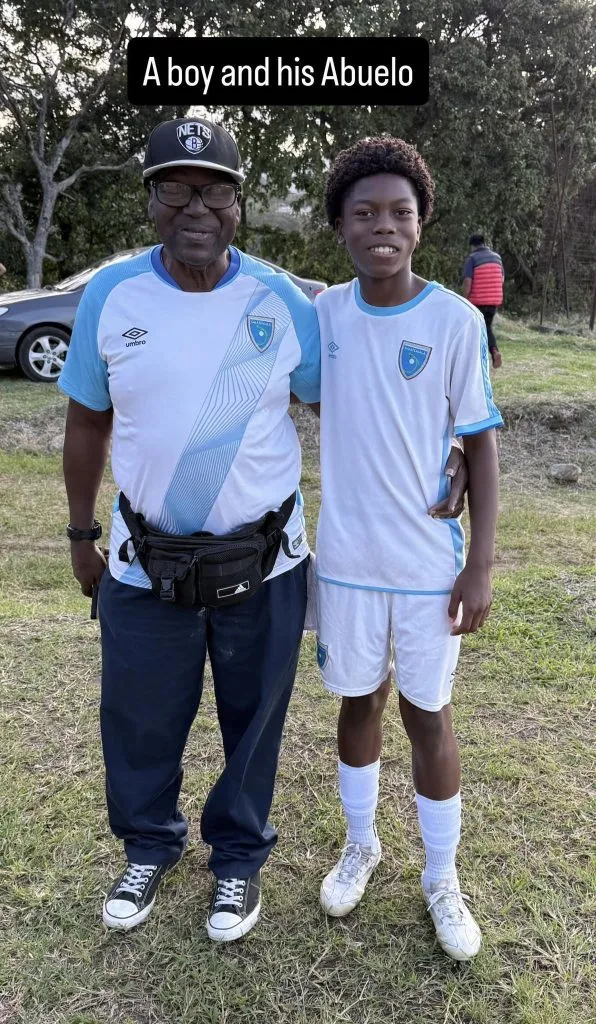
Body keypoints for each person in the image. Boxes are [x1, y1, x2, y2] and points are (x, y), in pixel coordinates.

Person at [58, 116, 323, 943]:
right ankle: (149, 845)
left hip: (266, 562)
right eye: (176, 187)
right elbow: (85, 423)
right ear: (150, 202)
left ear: (239, 204)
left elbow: (345, 407)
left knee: (254, 722)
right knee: (139, 719)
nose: (195, 205)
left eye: (214, 189)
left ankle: (237, 865)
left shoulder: (282, 300)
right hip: (144, 563)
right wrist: (78, 533)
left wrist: (451, 456)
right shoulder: (110, 296)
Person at [313, 137, 503, 961]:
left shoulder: (455, 321)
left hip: (430, 568)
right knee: (359, 703)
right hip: (348, 564)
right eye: (364, 213)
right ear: (342, 228)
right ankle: (362, 846)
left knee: (430, 715)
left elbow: (481, 444)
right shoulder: (321, 316)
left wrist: (481, 561)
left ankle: (440, 877)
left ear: (422, 223)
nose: (382, 226)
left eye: (399, 211)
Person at [462, 234, 504, 368]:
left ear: (473, 246)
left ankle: (480, 357)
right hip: (494, 300)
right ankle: (493, 351)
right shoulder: (497, 257)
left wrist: (464, 299)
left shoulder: (472, 258)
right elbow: (502, 279)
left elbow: (468, 281)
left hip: (478, 301)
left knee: (476, 329)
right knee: (487, 327)